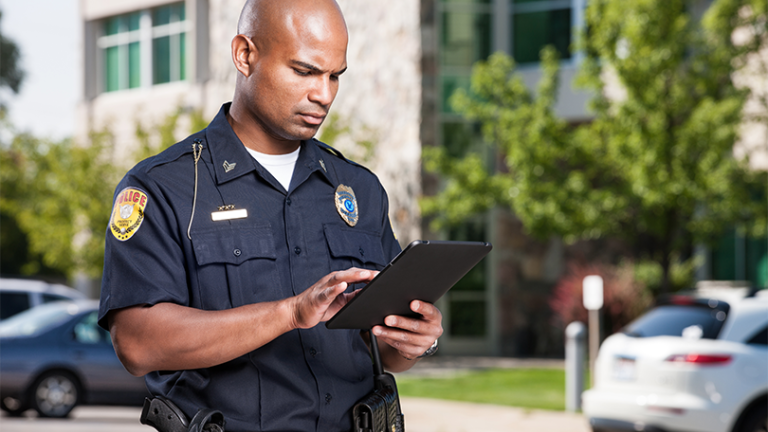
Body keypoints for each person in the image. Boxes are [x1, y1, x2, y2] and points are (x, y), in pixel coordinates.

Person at [97, 0, 443, 431]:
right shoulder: (163, 187)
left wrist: (411, 342)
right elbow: (137, 344)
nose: (324, 94)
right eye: (304, 71)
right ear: (245, 55)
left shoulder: (360, 190)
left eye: (335, 75)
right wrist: (291, 313)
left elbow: (383, 351)